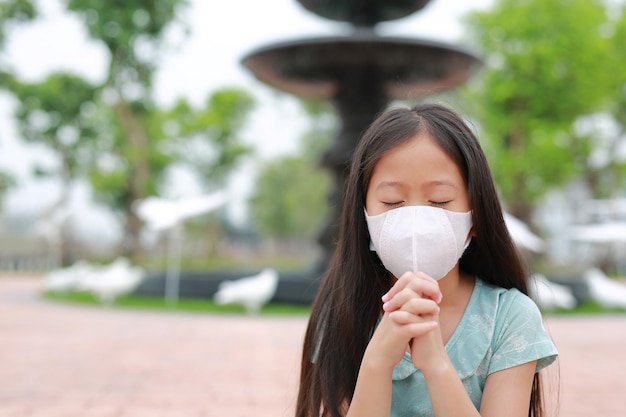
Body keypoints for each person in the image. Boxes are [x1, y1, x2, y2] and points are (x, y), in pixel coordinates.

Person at [295, 103, 558, 417]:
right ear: (363, 216)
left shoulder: (510, 317)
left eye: (440, 201)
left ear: (476, 212)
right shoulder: (343, 313)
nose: (416, 220)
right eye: (392, 202)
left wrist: (436, 365)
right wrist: (377, 362)